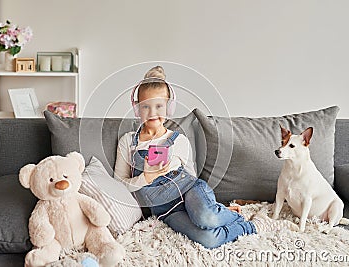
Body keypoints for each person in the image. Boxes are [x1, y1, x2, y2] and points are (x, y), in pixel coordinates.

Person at [114, 66, 297, 248]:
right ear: (136, 108)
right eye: (145, 106)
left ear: (169, 108)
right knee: (209, 239)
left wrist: (204, 206)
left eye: (159, 106)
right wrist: (145, 178)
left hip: (190, 192)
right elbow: (119, 183)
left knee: (207, 217)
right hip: (167, 210)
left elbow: (191, 178)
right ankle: (252, 225)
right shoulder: (128, 142)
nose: (152, 112)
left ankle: (221, 213)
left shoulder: (179, 141)